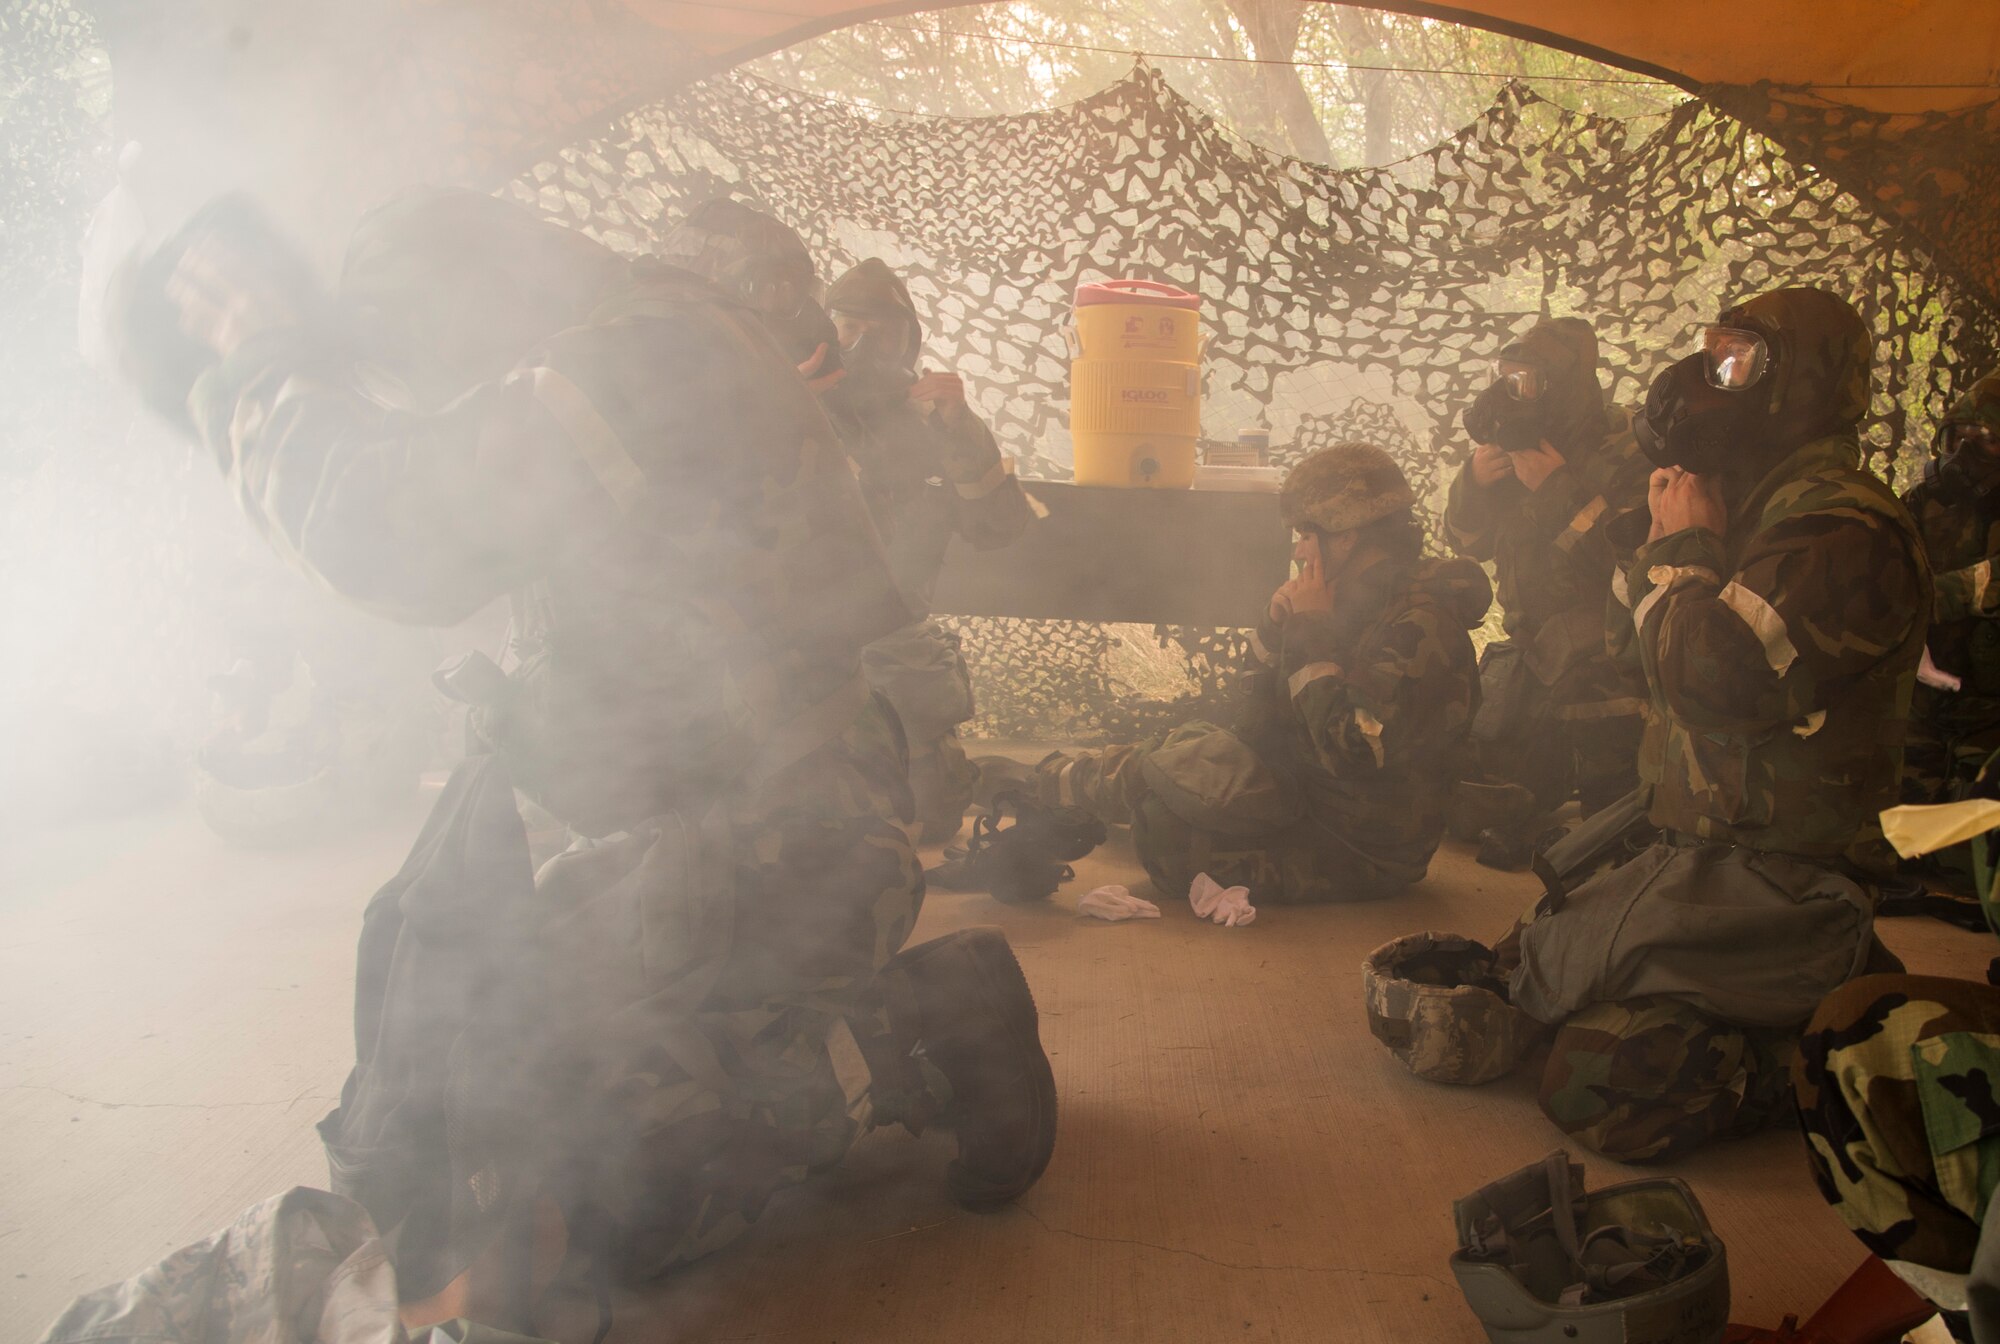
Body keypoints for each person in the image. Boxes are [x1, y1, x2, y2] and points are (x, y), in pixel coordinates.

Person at [108, 189, 1058, 1309]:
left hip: (785, 839)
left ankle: (909, 1032)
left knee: (580, 1204)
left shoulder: (633, 358)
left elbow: (391, 529)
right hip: (698, 825)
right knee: (452, 1126)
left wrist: (256, 357)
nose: (427, 393)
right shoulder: (641, 330)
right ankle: (753, 1043)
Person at [1471, 286, 1929, 1163]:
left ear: (1802, 385)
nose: (1714, 381)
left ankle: (1832, 1047)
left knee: (1598, 1080)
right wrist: (1659, 542)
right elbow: (1625, 650)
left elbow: (1714, 684)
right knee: (1522, 975)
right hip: (1694, 847)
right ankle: (1832, 990)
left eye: (1740, 361)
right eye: (1714, 354)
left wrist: (1680, 553)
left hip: (1786, 873)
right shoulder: (1747, 504)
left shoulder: (1841, 525)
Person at [1026, 442, 1491, 904]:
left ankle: (1057, 787)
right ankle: (1054, 783)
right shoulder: (1354, 601)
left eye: (1307, 534)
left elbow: (1353, 753)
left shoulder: (1422, 628)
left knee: (1164, 838)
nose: (1298, 549)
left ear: (1346, 534)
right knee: (1187, 747)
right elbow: (1253, 724)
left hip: (1363, 844)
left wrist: (1311, 634)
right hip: (1306, 791)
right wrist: (1274, 633)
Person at [820, 258, 1033, 841]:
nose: (863, 343)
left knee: (930, 817)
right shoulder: (796, 404)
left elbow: (1001, 528)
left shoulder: (932, 422)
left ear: (909, 338)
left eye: (882, 330)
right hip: (806, 646)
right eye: (848, 326)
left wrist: (959, 425)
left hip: (896, 649)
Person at [1442, 316, 1653, 868]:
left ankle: (1611, 822)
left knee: (1613, 829)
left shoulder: (1630, 447)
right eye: (1506, 377)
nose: (1511, 393)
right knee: (1485, 803)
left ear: (1561, 382)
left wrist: (1560, 488)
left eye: (1525, 381)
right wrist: (1475, 484)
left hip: (1610, 658)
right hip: (1535, 653)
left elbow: (1638, 570)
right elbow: (1468, 542)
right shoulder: (1518, 441)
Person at [1891, 372, 2000, 903]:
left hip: (1990, 709)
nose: (1968, 452)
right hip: (1928, 696)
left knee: (1970, 862)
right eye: (1961, 436)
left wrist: (1943, 595)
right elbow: (1887, 586)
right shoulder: (1925, 505)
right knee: (1897, 841)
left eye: (1989, 439)